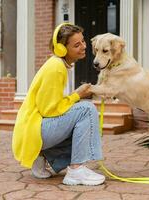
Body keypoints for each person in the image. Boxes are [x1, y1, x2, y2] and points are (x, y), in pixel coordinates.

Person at [12, 22, 105, 186]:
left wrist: (76, 96)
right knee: (86, 110)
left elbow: (56, 106)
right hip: (34, 130)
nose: (83, 46)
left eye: (83, 41)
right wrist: (78, 95)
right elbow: (50, 109)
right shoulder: (56, 68)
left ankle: (41, 157)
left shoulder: (62, 65)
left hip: (34, 129)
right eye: (77, 45)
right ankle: (76, 171)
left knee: (80, 116)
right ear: (62, 49)